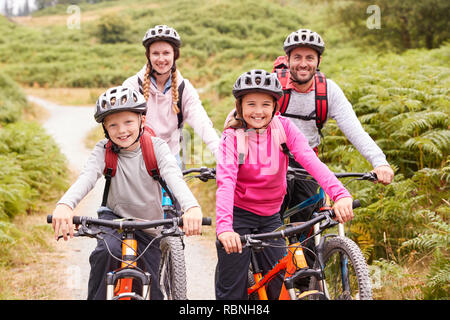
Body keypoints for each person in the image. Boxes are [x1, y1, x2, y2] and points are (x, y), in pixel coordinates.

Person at [50, 86, 203, 300]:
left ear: (142, 120)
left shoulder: (156, 147)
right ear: (105, 128)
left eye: (128, 122)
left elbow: (173, 176)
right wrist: (65, 205)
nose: (121, 130)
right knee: (104, 254)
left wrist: (191, 207)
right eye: (113, 125)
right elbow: (86, 177)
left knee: (154, 289)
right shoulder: (104, 150)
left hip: (149, 226)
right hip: (114, 221)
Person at [215, 69, 353, 300]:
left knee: (280, 286)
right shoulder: (233, 137)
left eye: (265, 105)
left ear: (275, 107)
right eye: (251, 104)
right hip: (238, 216)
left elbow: (311, 161)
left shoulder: (283, 128)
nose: (258, 111)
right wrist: (225, 228)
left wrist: (340, 195)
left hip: (271, 217)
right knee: (232, 291)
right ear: (240, 106)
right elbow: (226, 181)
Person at [277, 28, 394, 222]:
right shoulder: (274, 86)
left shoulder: (328, 91)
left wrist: (379, 162)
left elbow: (356, 130)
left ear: (318, 61)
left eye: (309, 58)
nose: (303, 64)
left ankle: (309, 251)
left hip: (307, 162)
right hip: (272, 160)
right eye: (297, 57)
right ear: (287, 59)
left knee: (308, 226)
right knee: (269, 226)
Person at [122, 24, 220, 165]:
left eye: (166, 53)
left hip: (170, 159)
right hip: (137, 159)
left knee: (175, 187)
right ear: (148, 56)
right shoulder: (132, 86)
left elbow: (202, 122)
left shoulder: (183, 88)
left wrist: (220, 153)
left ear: (175, 55)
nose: (161, 59)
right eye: (155, 53)